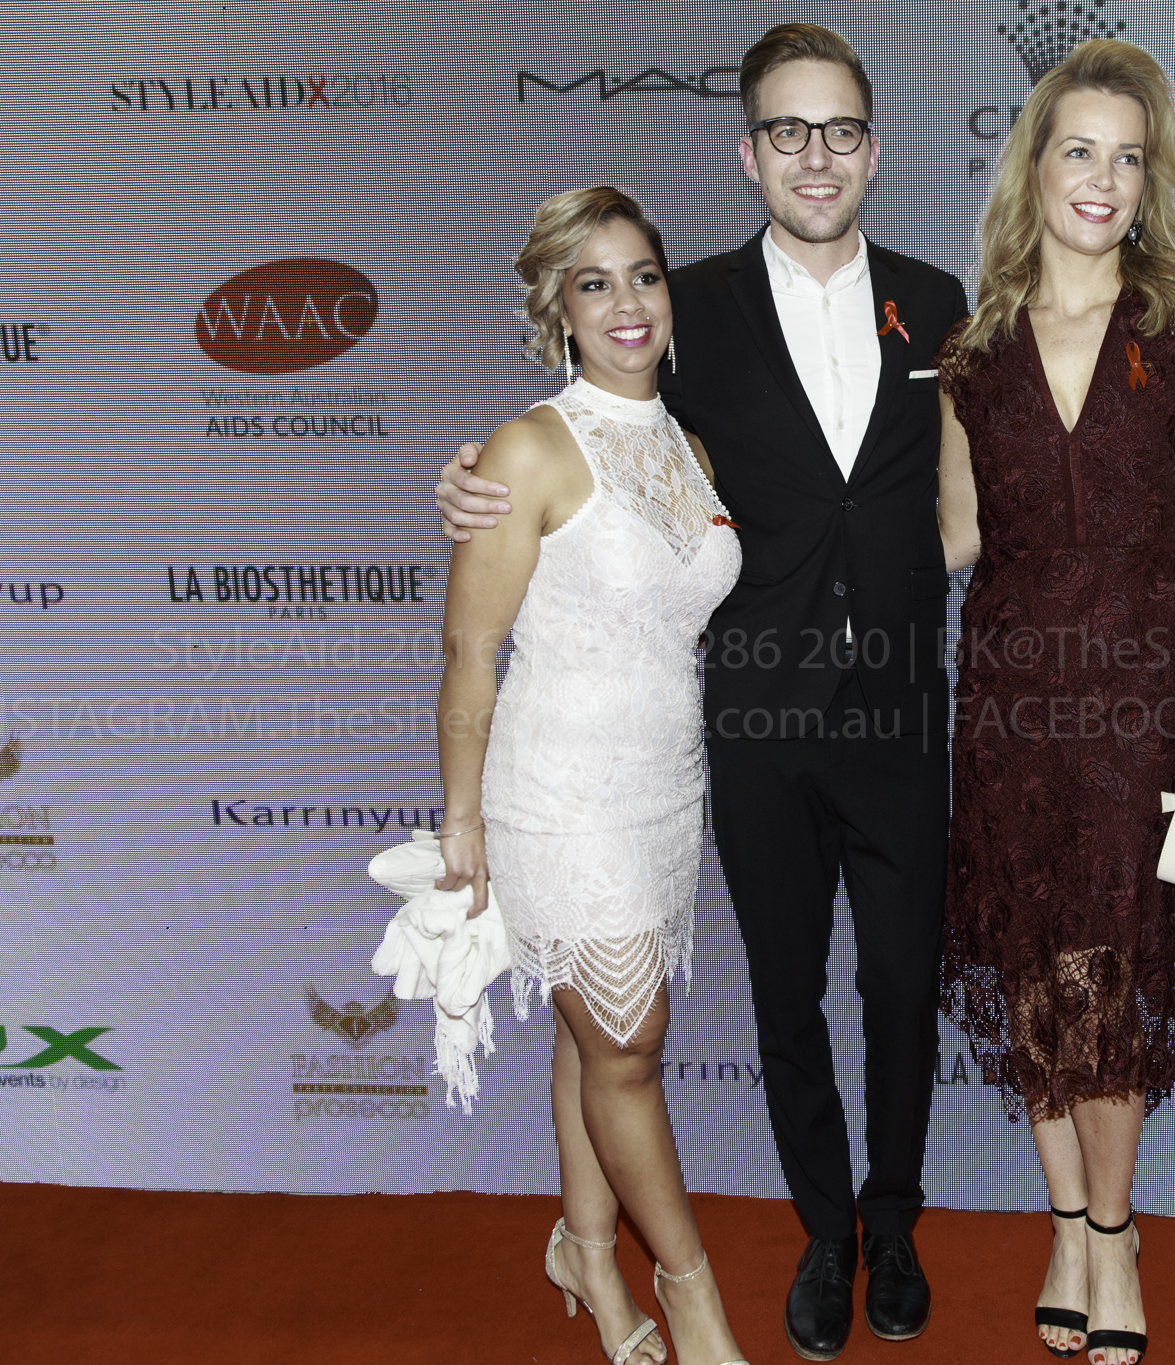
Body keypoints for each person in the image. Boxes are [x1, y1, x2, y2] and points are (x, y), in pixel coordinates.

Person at [436, 25, 965, 1362]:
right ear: (748, 152)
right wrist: (467, 481)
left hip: (899, 712)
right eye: (787, 131)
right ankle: (824, 1232)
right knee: (785, 998)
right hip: (751, 723)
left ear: (872, 149)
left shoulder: (934, 299)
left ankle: (893, 1221)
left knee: (901, 988)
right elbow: (586, 426)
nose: (814, 156)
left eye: (838, 130)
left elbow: (963, 492)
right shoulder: (691, 309)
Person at [932, 38, 1175, 1365]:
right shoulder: (972, 351)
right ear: (1033, 168)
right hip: (1010, 704)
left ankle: (1116, 1232)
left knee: (1104, 969)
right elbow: (955, 533)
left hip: (1141, 702)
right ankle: (1069, 1229)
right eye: (1077, 150)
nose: (1100, 177)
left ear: (1151, 184)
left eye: (1126, 158)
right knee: (1036, 967)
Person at [433, 187, 748, 1365]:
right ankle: (688, 1292)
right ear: (556, 309)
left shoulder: (688, 447)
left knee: (590, 1041)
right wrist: (461, 819)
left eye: (643, 276)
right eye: (594, 283)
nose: (627, 304)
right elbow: (470, 649)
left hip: (664, 790)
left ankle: (586, 1256)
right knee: (627, 1044)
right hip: (559, 797)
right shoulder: (527, 447)